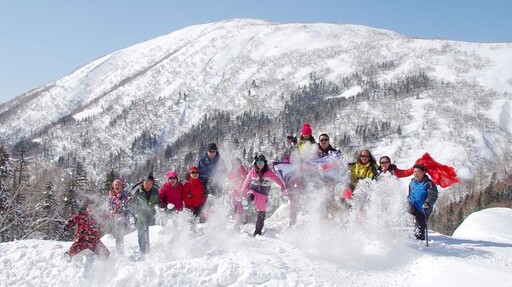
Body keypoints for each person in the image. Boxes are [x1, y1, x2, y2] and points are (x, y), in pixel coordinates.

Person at [241, 154, 287, 236]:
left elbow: (277, 180)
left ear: (264, 163)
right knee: (251, 195)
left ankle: (258, 231)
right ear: (256, 163)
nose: (260, 165)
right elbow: (246, 182)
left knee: (261, 213)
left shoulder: (269, 173)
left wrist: (284, 187)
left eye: (261, 163)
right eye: (258, 163)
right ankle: (246, 201)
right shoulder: (252, 171)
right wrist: (242, 191)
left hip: (263, 195)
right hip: (253, 191)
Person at [407, 163, 438, 240]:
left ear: (423, 172)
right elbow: (410, 194)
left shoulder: (429, 183)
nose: (415, 174)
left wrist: (427, 203)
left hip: (423, 208)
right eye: (414, 172)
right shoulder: (412, 183)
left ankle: (420, 242)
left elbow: (433, 195)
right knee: (403, 210)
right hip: (412, 205)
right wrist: (408, 199)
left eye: (417, 171)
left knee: (420, 228)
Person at [131, 174, 159, 255]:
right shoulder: (137, 192)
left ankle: (152, 252)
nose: (148, 185)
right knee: (141, 234)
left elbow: (159, 202)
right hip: (140, 217)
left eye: (150, 183)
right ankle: (143, 252)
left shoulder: (155, 191)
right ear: (143, 182)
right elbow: (132, 205)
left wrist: (158, 208)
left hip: (152, 216)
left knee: (153, 234)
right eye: (146, 182)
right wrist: (138, 209)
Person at [106, 179, 131, 254]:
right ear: (113, 187)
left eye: (118, 185)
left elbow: (127, 207)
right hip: (113, 219)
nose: (117, 186)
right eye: (115, 185)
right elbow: (107, 207)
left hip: (122, 218)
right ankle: (117, 250)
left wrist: (123, 204)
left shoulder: (124, 196)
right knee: (115, 235)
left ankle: (120, 250)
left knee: (120, 234)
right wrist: (112, 210)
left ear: (121, 187)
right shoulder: (110, 197)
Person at [228, 158, 248, 229]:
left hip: (242, 194)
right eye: (234, 164)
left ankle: (238, 226)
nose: (236, 166)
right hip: (234, 194)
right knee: (235, 209)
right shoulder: (231, 173)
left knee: (240, 210)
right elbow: (230, 183)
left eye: (237, 164)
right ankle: (235, 224)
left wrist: (244, 192)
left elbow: (247, 182)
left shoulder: (244, 172)